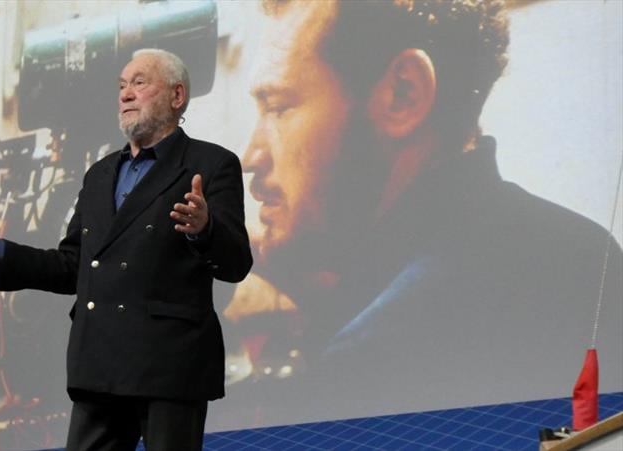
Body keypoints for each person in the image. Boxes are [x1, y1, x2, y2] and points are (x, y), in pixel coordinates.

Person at [221, 0, 623, 427]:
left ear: (403, 95)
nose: (249, 156)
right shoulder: (588, 253)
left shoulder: (368, 371)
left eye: (278, 107)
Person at [0, 48, 252, 450]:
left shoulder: (211, 163)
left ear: (177, 96)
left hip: (170, 366)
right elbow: (72, 267)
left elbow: (236, 263)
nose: (125, 94)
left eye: (140, 83)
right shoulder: (101, 173)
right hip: (99, 364)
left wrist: (204, 228)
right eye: (122, 85)